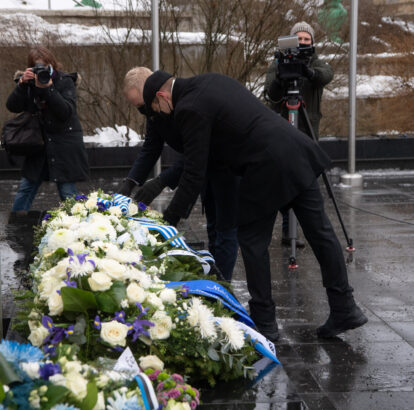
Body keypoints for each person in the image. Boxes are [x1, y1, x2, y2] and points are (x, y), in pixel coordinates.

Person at [133, 68, 366, 341]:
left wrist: (167, 223)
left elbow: (194, 173)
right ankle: (344, 307)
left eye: (156, 108)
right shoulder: (210, 80)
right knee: (321, 234)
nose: (159, 114)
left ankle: (264, 321)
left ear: (162, 95)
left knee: (252, 241)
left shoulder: (188, 108)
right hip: (295, 150)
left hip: (266, 165)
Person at [118, 67, 240, 281]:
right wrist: (130, 183)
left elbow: (197, 154)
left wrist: (162, 185)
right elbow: (151, 147)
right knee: (213, 226)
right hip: (206, 169)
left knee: (226, 230)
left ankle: (224, 285)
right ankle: (215, 277)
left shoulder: (185, 105)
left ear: (155, 94)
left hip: (226, 167)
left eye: (142, 107)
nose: (144, 112)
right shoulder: (155, 109)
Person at [264, 22, 334, 247]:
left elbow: (326, 75)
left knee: (306, 181)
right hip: (283, 128)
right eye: (299, 38)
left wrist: (308, 72)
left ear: (312, 42)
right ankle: (285, 230)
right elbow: (271, 95)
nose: (303, 42)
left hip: (307, 129)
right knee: (282, 180)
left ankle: (304, 229)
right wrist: (281, 77)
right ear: (291, 40)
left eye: (307, 39)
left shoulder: (316, 62)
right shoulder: (278, 63)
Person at [6, 46, 89, 212]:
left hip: (63, 146)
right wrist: (22, 84)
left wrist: (48, 88)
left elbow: (66, 112)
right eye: (38, 68)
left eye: (46, 67)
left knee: (67, 190)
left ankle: (77, 227)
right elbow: (12, 106)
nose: (43, 72)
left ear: (52, 64)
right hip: (39, 146)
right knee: (26, 187)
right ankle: (16, 228)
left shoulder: (65, 81)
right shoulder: (28, 84)